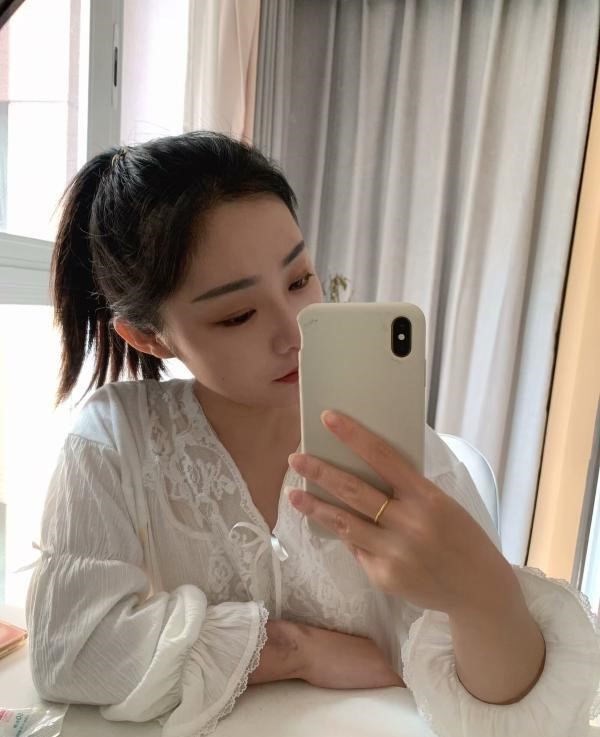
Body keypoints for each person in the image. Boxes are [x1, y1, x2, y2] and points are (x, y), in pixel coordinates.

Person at [25, 131, 599, 737]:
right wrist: (292, 649)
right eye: (237, 315)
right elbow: (70, 652)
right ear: (148, 337)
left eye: (299, 279)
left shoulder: (396, 446)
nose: (293, 331)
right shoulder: (116, 439)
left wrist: (481, 593)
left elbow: (516, 717)